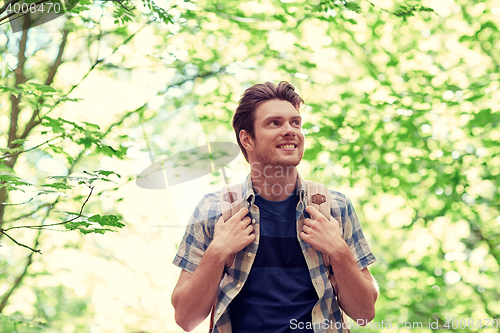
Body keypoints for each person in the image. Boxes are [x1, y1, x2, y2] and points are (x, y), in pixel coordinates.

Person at [171, 81, 379, 333]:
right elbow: (186, 318)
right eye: (275, 123)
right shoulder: (213, 209)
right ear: (247, 139)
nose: (291, 131)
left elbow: (365, 314)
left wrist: (339, 251)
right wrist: (217, 252)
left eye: (296, 123)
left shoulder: (335, 207)